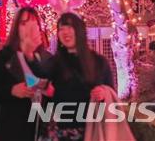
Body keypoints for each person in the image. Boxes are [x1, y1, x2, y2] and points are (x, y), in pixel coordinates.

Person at [31, 13, 115, 141]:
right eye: (61, 29)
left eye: (70, 27)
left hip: (91, 131)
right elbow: (32, 83)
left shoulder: (99, 62)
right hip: (59, 132)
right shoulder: (53, 63)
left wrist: (104, 93)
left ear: (80, 30)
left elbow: (112, 93)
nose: (65, 32)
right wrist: (43, 89)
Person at [0, 7, 52, 141]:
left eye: (33, 24)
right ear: (16, 28)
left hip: (39, 127)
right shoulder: (2, 58)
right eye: (23, 23)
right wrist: (11, 91)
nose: (28, 28)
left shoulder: (46, 58)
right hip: (10, 128)